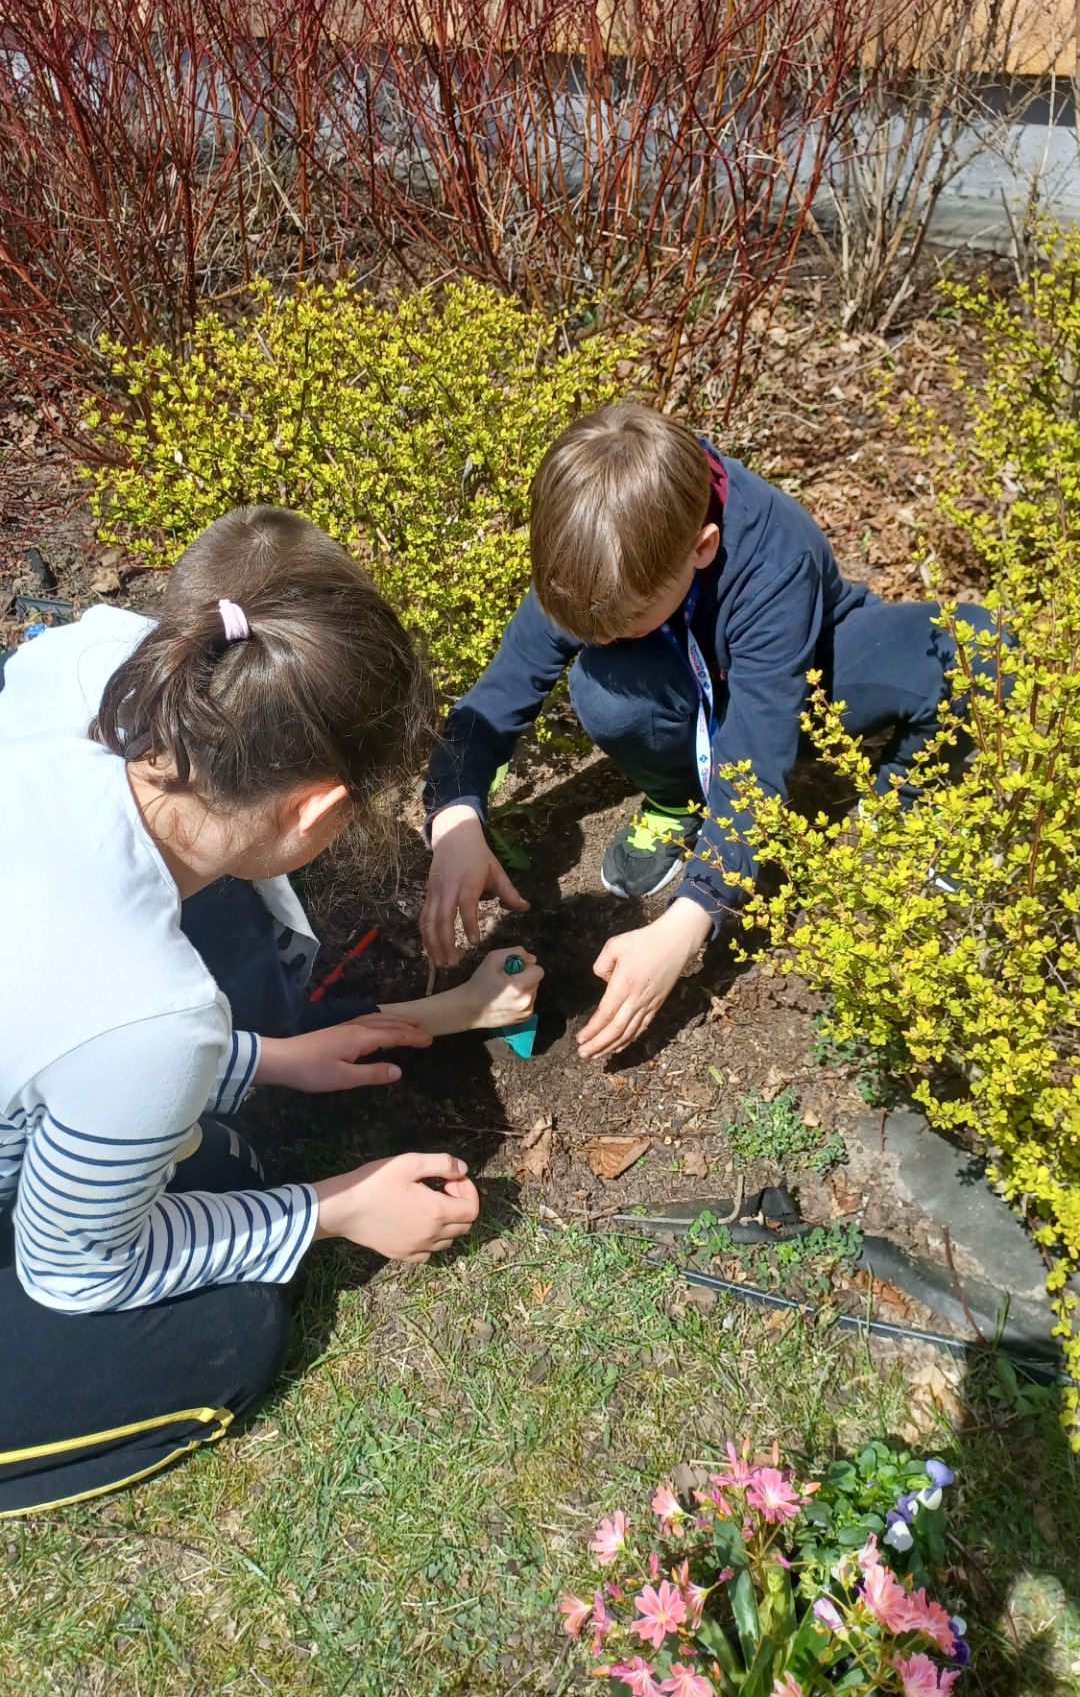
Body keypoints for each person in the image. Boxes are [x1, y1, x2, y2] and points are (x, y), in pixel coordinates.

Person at [0, 507, 541, 1517]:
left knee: (211, 1161)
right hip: (58, 1239)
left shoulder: (82, 695)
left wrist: (268, 1062)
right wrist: (336, 1208)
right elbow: (74, 1272)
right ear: (316, 814)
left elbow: (51, 1022)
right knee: (232, 1334)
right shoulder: (152, 1012)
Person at [421, 400, 1001, 1061]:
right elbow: (499, 694)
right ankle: (676, 797)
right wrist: (455, 819)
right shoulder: (594, 544)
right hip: (676, 684)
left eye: (621, 623)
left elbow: (756, 750)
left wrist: (689, 917)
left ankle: (901, 814)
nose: (600, 637)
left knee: (974, 654)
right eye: (588, 628)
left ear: (702, 549)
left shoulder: (771, 555)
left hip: (802, 675)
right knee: (603, 689)